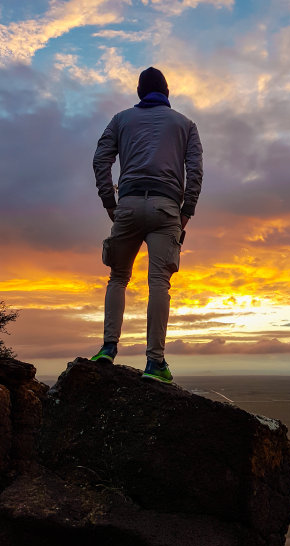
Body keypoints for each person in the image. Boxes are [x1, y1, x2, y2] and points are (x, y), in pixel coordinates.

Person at [91, 67, 203, 383]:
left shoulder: (120, 120)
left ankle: (108, 349)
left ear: (140, 92)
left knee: (118, 276)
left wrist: (109, 201)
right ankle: (155, 363)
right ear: (166, 92)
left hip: (126, 205)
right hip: (166, 206)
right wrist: (187, 210)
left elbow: (101, 158)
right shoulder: (186, 125)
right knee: (159, 282)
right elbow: (195, 171)